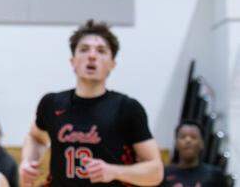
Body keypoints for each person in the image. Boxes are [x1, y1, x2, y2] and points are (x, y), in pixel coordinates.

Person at [19, 20, 163, 186]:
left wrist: (114, 171)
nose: (92, 56)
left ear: (112, 64)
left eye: (101, 51)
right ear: (73, 62)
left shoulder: (127, 108)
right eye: (84, 49)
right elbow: (36, 137)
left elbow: (155, 171)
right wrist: (27, 161)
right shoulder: (51, 103)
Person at [163, 121, 225, 187]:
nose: (188, 140)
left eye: (193, 137)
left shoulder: (214, 175)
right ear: (176, 144)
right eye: (183, 137)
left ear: (201, 143)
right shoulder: (164, 174)